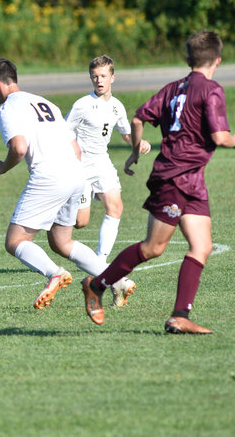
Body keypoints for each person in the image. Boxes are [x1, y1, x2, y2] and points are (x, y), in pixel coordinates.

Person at [80, 30, 235, 334]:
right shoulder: (211, 90)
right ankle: (97, 284)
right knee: (153, 248)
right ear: (217, 61)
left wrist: (135, 152)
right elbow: (220, 137)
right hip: (174, 177)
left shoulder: (172, 88)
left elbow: (140, 118)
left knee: (202, 245)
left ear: (187, 59)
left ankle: (180, 316)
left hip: (191, 179)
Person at [0, 58, 133, 310]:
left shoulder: (9, 108)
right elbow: (74, 147)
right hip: (75, 173)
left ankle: (54, 273)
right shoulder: (45, 103)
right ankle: (118, 280)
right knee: (61, 242)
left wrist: (1, 167)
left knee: (15, 241)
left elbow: (19, 148)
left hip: (49, 176)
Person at [66, 55, 151, 296]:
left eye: (103, 76)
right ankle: (55, 215)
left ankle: (100, 263)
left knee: (116, 208)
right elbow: (64, 132)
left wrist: (139, 143)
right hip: (80, 167)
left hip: (102, 163)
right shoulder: (82, 104)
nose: (99, 80)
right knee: (81, 223)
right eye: (95, 76)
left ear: (113, 77)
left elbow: (126, 133)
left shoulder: (117, 106)